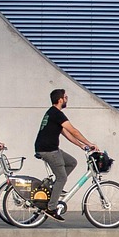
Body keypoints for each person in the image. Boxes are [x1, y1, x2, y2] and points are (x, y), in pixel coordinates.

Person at [34, 88, 97, 222]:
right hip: (48, 150)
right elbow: (73, 131)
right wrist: (89, 143)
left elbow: (67, 133)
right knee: (62, 177)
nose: (67, 99)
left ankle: (55, 188)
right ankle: (51, 208)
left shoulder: (53, 114)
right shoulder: (56, 113)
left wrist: (81, 146)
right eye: (66, 97)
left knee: (72, 162)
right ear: (60, 100)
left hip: (50, 148)